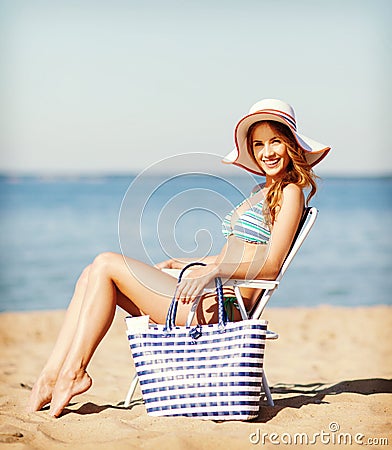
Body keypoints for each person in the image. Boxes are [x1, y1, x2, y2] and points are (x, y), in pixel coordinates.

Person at [28, 98, 330, 417]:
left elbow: (269, 268)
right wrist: (195, 263)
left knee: (105, 263)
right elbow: (241, 250)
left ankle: (73, 373)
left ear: (291, 145)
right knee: (91, 274)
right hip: (208, 298)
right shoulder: (262, 190)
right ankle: (50, 376)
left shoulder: (290, 192)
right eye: (258, 144)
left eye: (275, 142)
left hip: (223, 310)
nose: (266, 151)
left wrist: (213, 273)